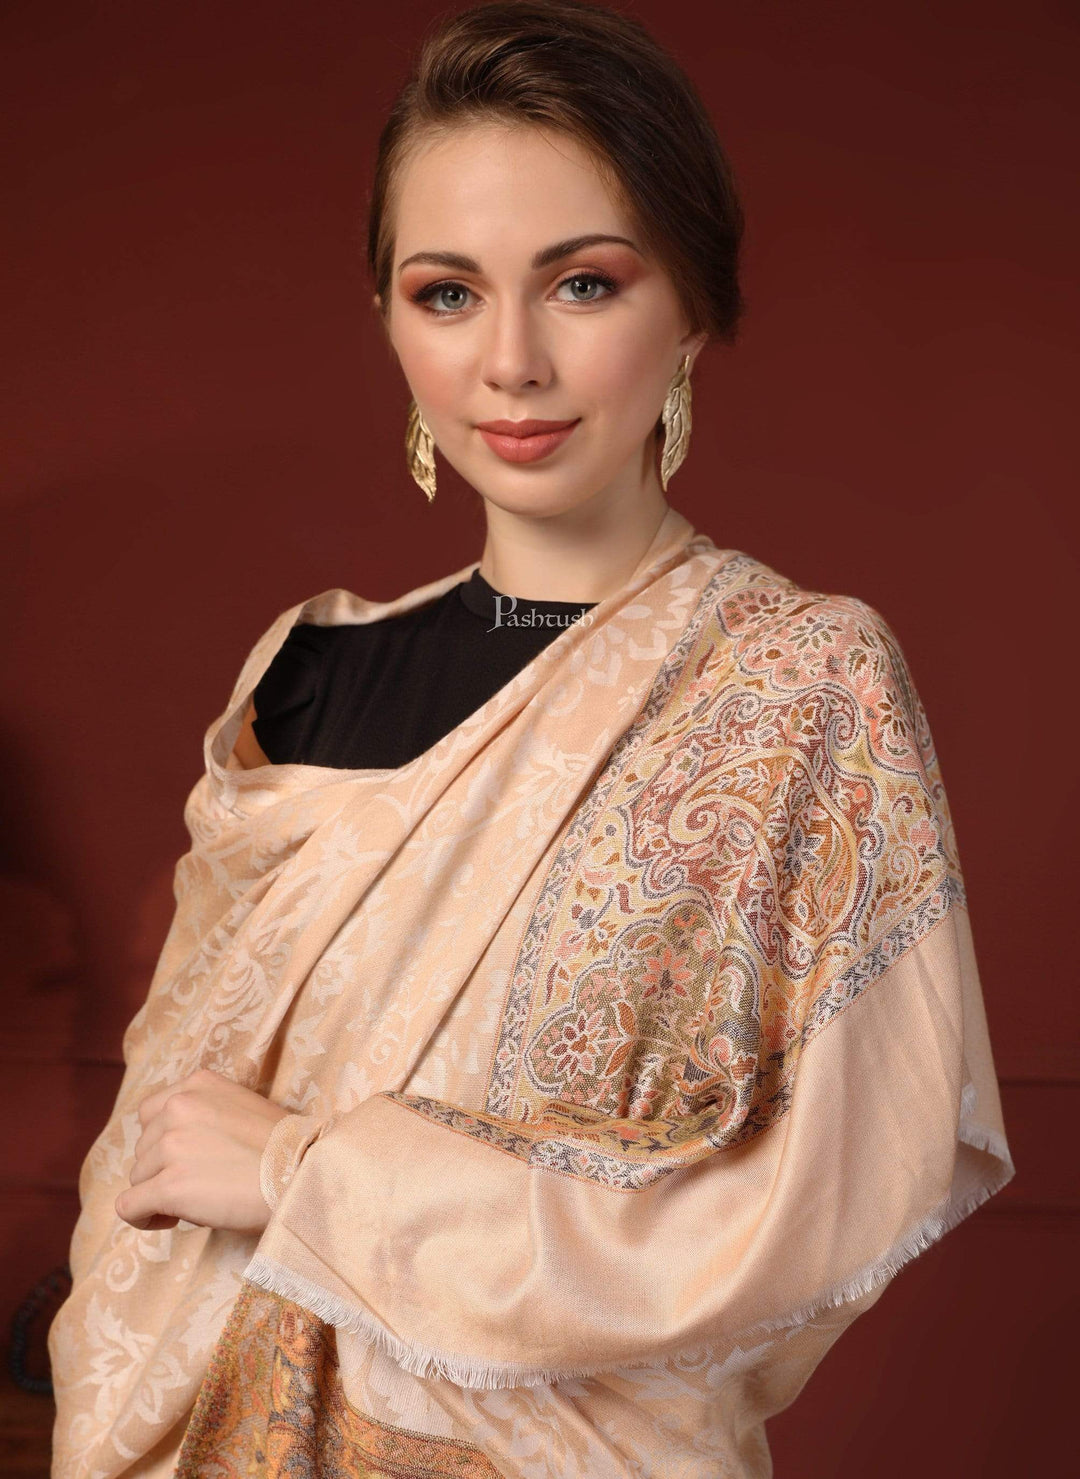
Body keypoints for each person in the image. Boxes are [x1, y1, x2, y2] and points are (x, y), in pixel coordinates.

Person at [47, 3, 1015, 1476]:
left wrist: (306, 1175)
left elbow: (824, 1203)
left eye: (582, 284)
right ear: (389, 321)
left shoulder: (801, 683)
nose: (510, 362)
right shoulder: (302, 675)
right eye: (446, 293)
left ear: (694, 310)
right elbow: (157, 1147)